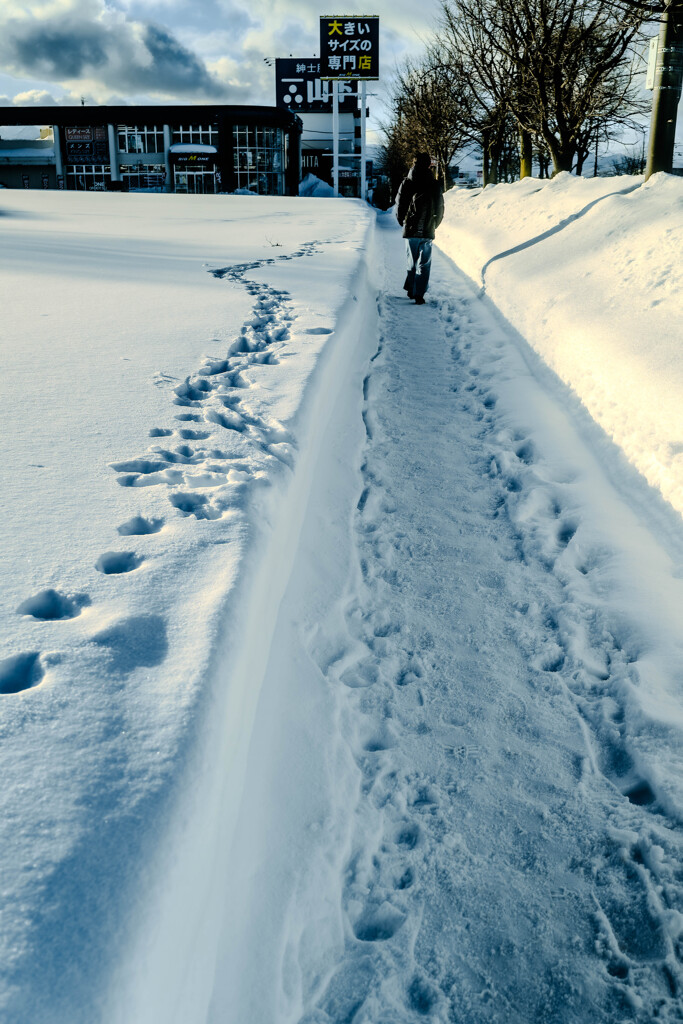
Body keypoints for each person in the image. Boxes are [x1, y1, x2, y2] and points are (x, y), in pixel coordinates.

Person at [395, 153, 444, 305]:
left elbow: (400, 203)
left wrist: (402, 221)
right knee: (424, 263)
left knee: (412, 261)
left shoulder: (407, 182)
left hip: (411, 228)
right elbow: (440, 207)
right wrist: (435, 223)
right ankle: (419, 294)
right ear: (429, 165)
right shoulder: (434, 183)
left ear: (414, 163)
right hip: (428, 228)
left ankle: (411, 289)